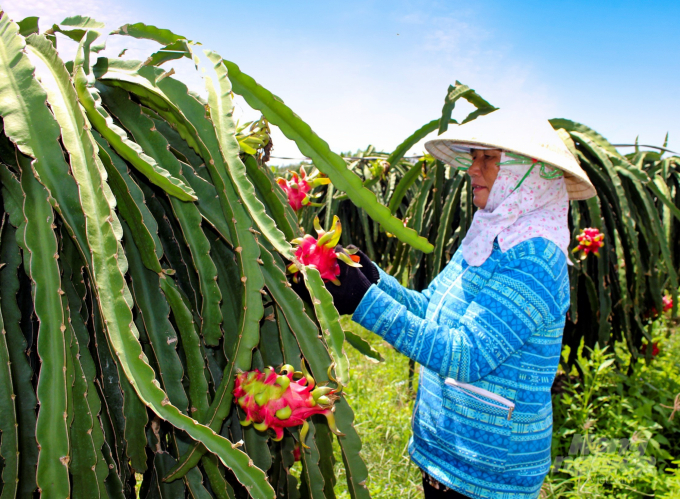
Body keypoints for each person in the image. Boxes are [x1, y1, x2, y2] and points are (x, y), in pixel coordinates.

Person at [322, 110, 596, 499]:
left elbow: (467, 354)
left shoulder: (535, 259)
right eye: (473, 157)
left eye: (489, 158)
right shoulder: (487, 237)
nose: (473, 169)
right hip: (444, 459)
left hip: (489, 477)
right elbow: (429, 308)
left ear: (528, 174)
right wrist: (371, 277)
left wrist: (363, 301)